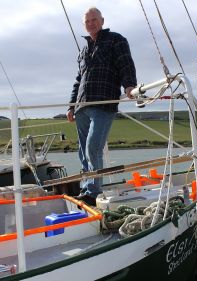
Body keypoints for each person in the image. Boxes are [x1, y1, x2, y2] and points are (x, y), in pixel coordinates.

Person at [67, 7, 137, 206]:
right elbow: (78, 80)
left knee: (93, 147)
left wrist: (129, 85)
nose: (91, 23)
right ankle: (86, 187)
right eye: (87, 21)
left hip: (103, 102)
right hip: (82, 105)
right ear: (84, 24)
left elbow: (125, 64)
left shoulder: (116, 39)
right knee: (83, 151)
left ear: (102, 20)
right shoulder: (84, 50)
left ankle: (93, 192)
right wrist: (71, 106)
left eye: (94, 20)